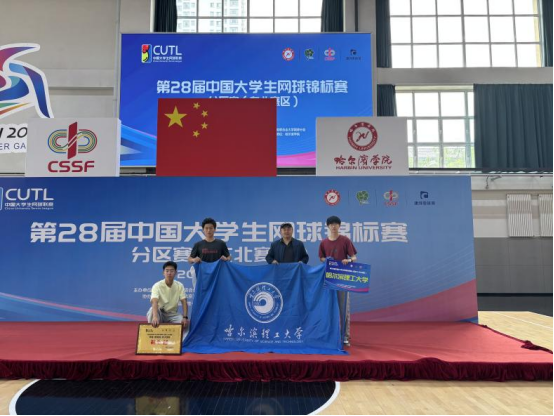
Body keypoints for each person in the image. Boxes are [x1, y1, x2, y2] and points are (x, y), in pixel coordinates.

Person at [319, 216, 358, 346]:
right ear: (328, 226)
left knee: (344, 308)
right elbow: (321, 258)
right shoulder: (323, 242)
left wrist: (349, 260)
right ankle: (330, 334)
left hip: (342, 278)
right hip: (329, 278)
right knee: (328, 308)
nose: (333, 226)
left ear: (339, 226)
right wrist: (326, 260)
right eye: (331, 224)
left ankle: (345, 336)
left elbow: (354, 257)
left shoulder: (345, 240)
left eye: (336, 224)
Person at [148, 261, 189, 328]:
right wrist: (155, 317)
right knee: (151, 311)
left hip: (172, 314)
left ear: (175, 273)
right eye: (167, 271)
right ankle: (154, 331)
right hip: (160, 312)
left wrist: (185, 317)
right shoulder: (157, 285)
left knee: (183, 323)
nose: (169, 273)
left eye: (172, 271)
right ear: (163, 273)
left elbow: (184, 301)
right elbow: (154, 301)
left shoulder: (179, 285)